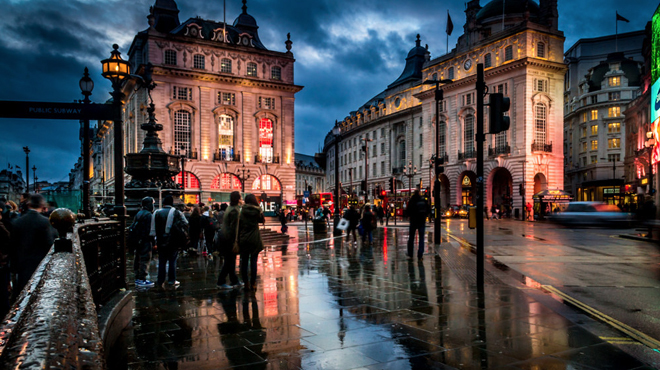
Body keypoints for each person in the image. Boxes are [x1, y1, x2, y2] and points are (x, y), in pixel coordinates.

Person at [10, 194, 57, 295]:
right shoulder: (45, 222)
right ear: (42, 205)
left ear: (29, 204)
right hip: (40, 264)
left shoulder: (18, 222)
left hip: (22, 265)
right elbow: (49, 244)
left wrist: (14, 267)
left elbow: (13, 246)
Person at [152, 195, 188, 288]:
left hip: (160, 240)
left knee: (162, 261)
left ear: (163, 203)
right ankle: (172, 280)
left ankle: (160, 280)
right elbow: (185, 223)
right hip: (173, 240)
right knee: (172, 260)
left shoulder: (157, 212)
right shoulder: (177, 212)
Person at [237, 194, 265, 291]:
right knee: (254, 262)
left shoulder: (242, 211)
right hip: (254, 238)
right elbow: (262, 221)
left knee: (244, 262)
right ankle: (253, 283)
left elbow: (239, 225)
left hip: (244, 238)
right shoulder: (257, 211)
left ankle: (246, 283)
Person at [217, 192, 242, 290]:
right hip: (229, 239)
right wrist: (235, 241)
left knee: (230, 261)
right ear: (238, 199)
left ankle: (234, 280)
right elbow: (234, 227)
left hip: (224, 237)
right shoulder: (235, 210)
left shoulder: (229, 208)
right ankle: (221, 281)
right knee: (229, 262)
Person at [130, 197, 156, 287]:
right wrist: (153, 242)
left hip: (138, 239)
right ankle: (142, 279)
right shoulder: (149, 215)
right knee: (145, 259)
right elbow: (150, 230)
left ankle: (137, 277)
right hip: (145, 240)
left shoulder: (139, 213)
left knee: (137, 258)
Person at [406, 190, 429, 260]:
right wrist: (425, 216)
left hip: (413, 221)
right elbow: (428, 209)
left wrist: (409, 216)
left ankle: (410, 254)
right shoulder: (423, 200)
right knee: (421, 238)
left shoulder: (412, 200)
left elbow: (408, 210)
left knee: (411, 237)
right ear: (419, 193)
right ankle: (420, 255)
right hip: (421, 221)